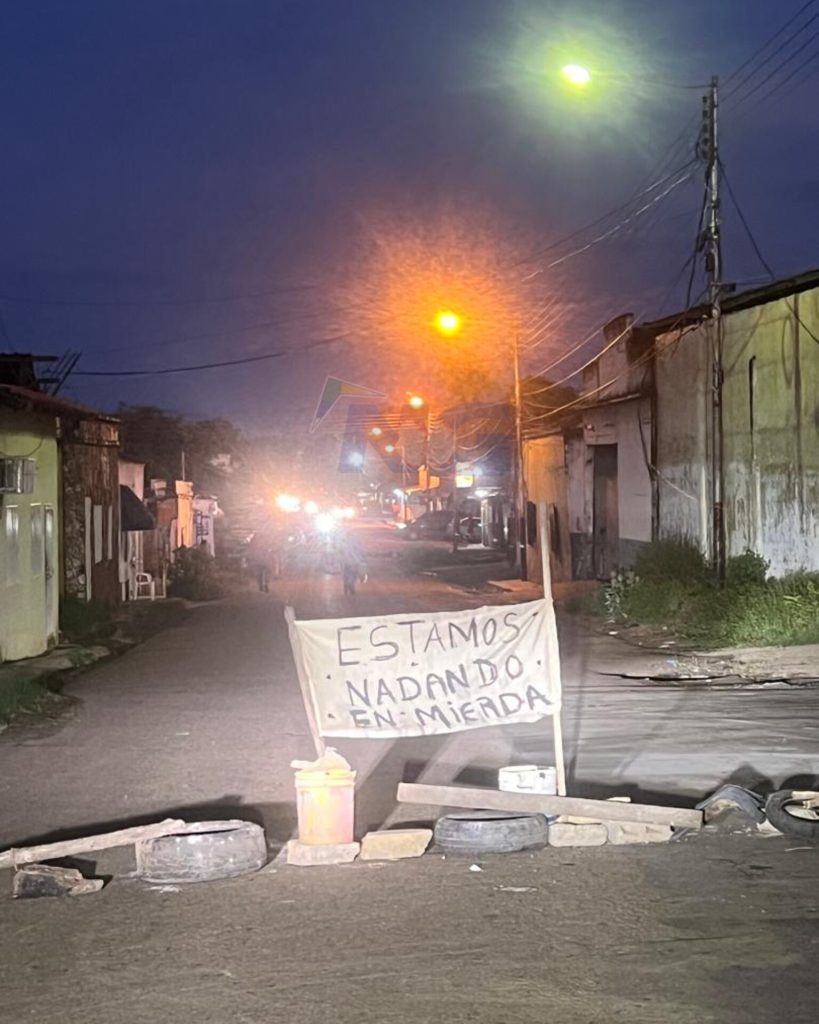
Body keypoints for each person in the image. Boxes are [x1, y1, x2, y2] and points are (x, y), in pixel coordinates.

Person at [338, 531, 366, 596]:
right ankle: (351, 586)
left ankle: (347, 586)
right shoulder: (356, 543)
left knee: (346, 575)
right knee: (353, 575)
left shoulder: (343, 543)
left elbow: (340, 552)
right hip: (354, 562)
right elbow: (361, 551)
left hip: (346, 562)